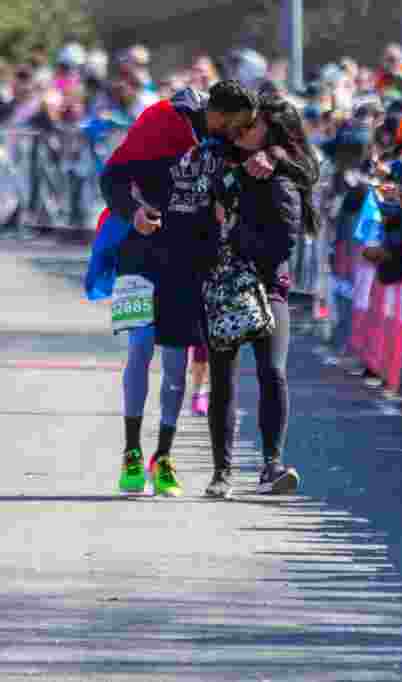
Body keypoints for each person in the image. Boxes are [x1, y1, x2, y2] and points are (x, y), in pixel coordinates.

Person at [90, 80, 271, 497]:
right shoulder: (160, 120)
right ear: (223, 115)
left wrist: (266, 160)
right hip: (139, 254)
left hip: (188, 263)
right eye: (237, 126)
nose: (239, 135)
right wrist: (133, 212)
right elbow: (111, 178)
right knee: (139, 349)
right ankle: (132, 453)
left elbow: (268, 159)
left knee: (176, 364)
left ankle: (164, 457)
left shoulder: (226, 146)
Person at [204, 93, 321, 498]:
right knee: (223, 379)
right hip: (225, 287)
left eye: (251, 126)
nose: (241, 130)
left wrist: (237, 238)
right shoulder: (224, 154)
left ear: (270, 131)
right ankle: (222, 472)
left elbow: (283, 241)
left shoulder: (280, 174)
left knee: (273, 372)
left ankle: (272, 465)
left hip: (267, 286)